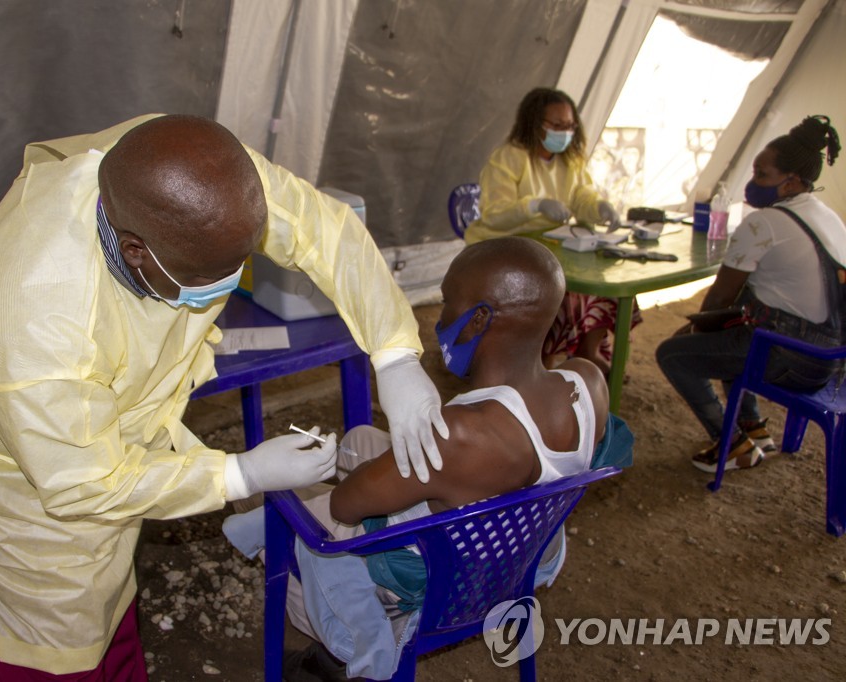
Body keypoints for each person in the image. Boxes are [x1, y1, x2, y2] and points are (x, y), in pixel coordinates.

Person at [0, 114, 450, 679]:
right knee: (59, 615)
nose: (233, 281)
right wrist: (239, 475)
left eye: (243, 259)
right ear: (136, 251)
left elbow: (322, 229)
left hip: (92, 399)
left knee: (111, 583)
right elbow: (86, 483)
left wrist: (395, 354)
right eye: (215, 271)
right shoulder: (31, 320)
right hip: (3, 456)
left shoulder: (202, 177)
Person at [224, 237, 612, 680]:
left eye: (448, 302)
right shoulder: (588, 381)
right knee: (363, 439)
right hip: (519, 554)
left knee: (282, 509)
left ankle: (357, 651)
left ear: (479, 318)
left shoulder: (462, 433)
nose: (439, 318)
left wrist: (299, 480)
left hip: (444, 582)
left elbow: (345, 505)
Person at [656, 115, 843, 473]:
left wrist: (693, 330)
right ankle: (754, 428)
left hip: (793, 359)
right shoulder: (827, 215)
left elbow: (719, 300)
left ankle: (731, 442)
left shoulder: (762, 224)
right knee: (738, 330)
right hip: (833, 358)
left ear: (791, 183)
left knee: (674, 354)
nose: (752, 184)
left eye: (762, 176)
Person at [463, 87, 641, 375]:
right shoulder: (508, 158)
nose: (564, 132)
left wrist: (599, 208)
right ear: (534, 123)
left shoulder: (570, 160)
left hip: (550, 245)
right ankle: (538, 367)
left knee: (600, 287)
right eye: (556, 125)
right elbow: (494, 215)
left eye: (569, 125)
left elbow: (582, 196)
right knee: (553, 294)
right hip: (503, 248)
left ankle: (589, 355)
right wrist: (534, 206)